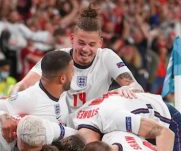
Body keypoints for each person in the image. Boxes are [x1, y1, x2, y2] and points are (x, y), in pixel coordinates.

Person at [11, 6, 143, 115]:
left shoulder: (107, 57)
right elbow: (24, 84)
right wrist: (12, 101)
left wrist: (123, 91)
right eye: (81, 43)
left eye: (91, 44)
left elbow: (137, 88)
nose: (85, 49)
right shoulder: (58, 57)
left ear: (100, 43)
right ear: (72, 38)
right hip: (59, 122)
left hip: (93, 123)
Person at [0, 50, 74, 139]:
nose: (74, 75)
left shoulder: (64, 95)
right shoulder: (29, 98)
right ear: (62, 79)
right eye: (73, 71)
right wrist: (2, 117)